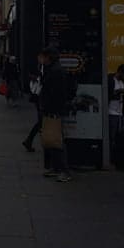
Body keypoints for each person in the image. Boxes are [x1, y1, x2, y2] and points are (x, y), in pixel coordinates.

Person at [38, 46, 70, 182]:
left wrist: (51, 108)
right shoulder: (51, 69)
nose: (41, 59)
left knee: (56, 140)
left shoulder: (56, 71)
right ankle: (56, 168)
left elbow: (58, 93)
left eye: (43, 56)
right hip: (50, 110)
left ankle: (64, 171)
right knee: (50, 140)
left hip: (54, 111)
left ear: (48, 57)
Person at [108, 63, 124, 160]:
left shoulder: (123, 82)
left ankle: (118, 155)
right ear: (120, 72)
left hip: (120, 111)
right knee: (111, 135)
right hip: (110, 112)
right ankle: (110, 155)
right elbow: (106, 94)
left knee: (120, 135)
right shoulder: (110, 80)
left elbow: (120, 95)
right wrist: (117, 92)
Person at [22, 59, 44, 152]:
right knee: (41, 123)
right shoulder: (37, 78)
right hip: (40, 101)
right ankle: (29, 140)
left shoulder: (39, 76)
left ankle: (29, 140)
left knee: (40, 123)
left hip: (39, 100)